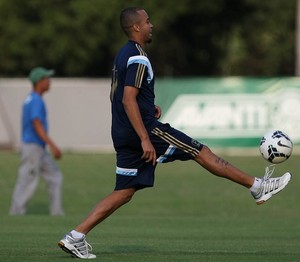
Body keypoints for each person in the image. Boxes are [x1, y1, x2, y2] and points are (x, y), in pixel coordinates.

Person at [58, 7, 291, 259]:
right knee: (200, 151)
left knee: (125, 191)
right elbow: (127, 99)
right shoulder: (138, 57)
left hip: (123, 132)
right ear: (136, 27)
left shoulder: (122, 55)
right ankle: (257, 186)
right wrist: (145, 137)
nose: (152, 25)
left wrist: (148, 107)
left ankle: (76, 236)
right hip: (144, 131)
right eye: (147, 21)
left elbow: (119, 96)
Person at [10, 67, 64, 216]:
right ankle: (16, 214)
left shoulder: (32, 99)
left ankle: (57, 213)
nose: (49, 82)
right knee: (27, 180)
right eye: (47, 79)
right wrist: (53, 146)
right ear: (39, 82)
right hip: (32, 147)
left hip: (37, 147)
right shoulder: (35, 100)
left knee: (55, 176)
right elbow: (36, 123)